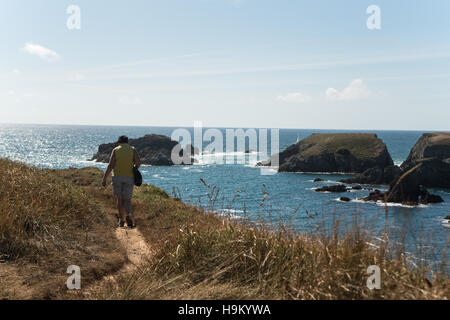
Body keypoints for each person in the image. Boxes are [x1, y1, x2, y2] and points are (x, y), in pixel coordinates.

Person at [102, 135, 141, 228]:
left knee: (119, 199)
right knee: (127, 199)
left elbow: (110, 165)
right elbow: (138, 162)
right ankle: (128, 215)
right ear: (127, 142)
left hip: (117, 177)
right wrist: (134, 169)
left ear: (118, 142)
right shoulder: (133, 149)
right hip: (129, 177)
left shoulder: (115, 150)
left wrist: (104, 178)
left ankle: (121, 220)